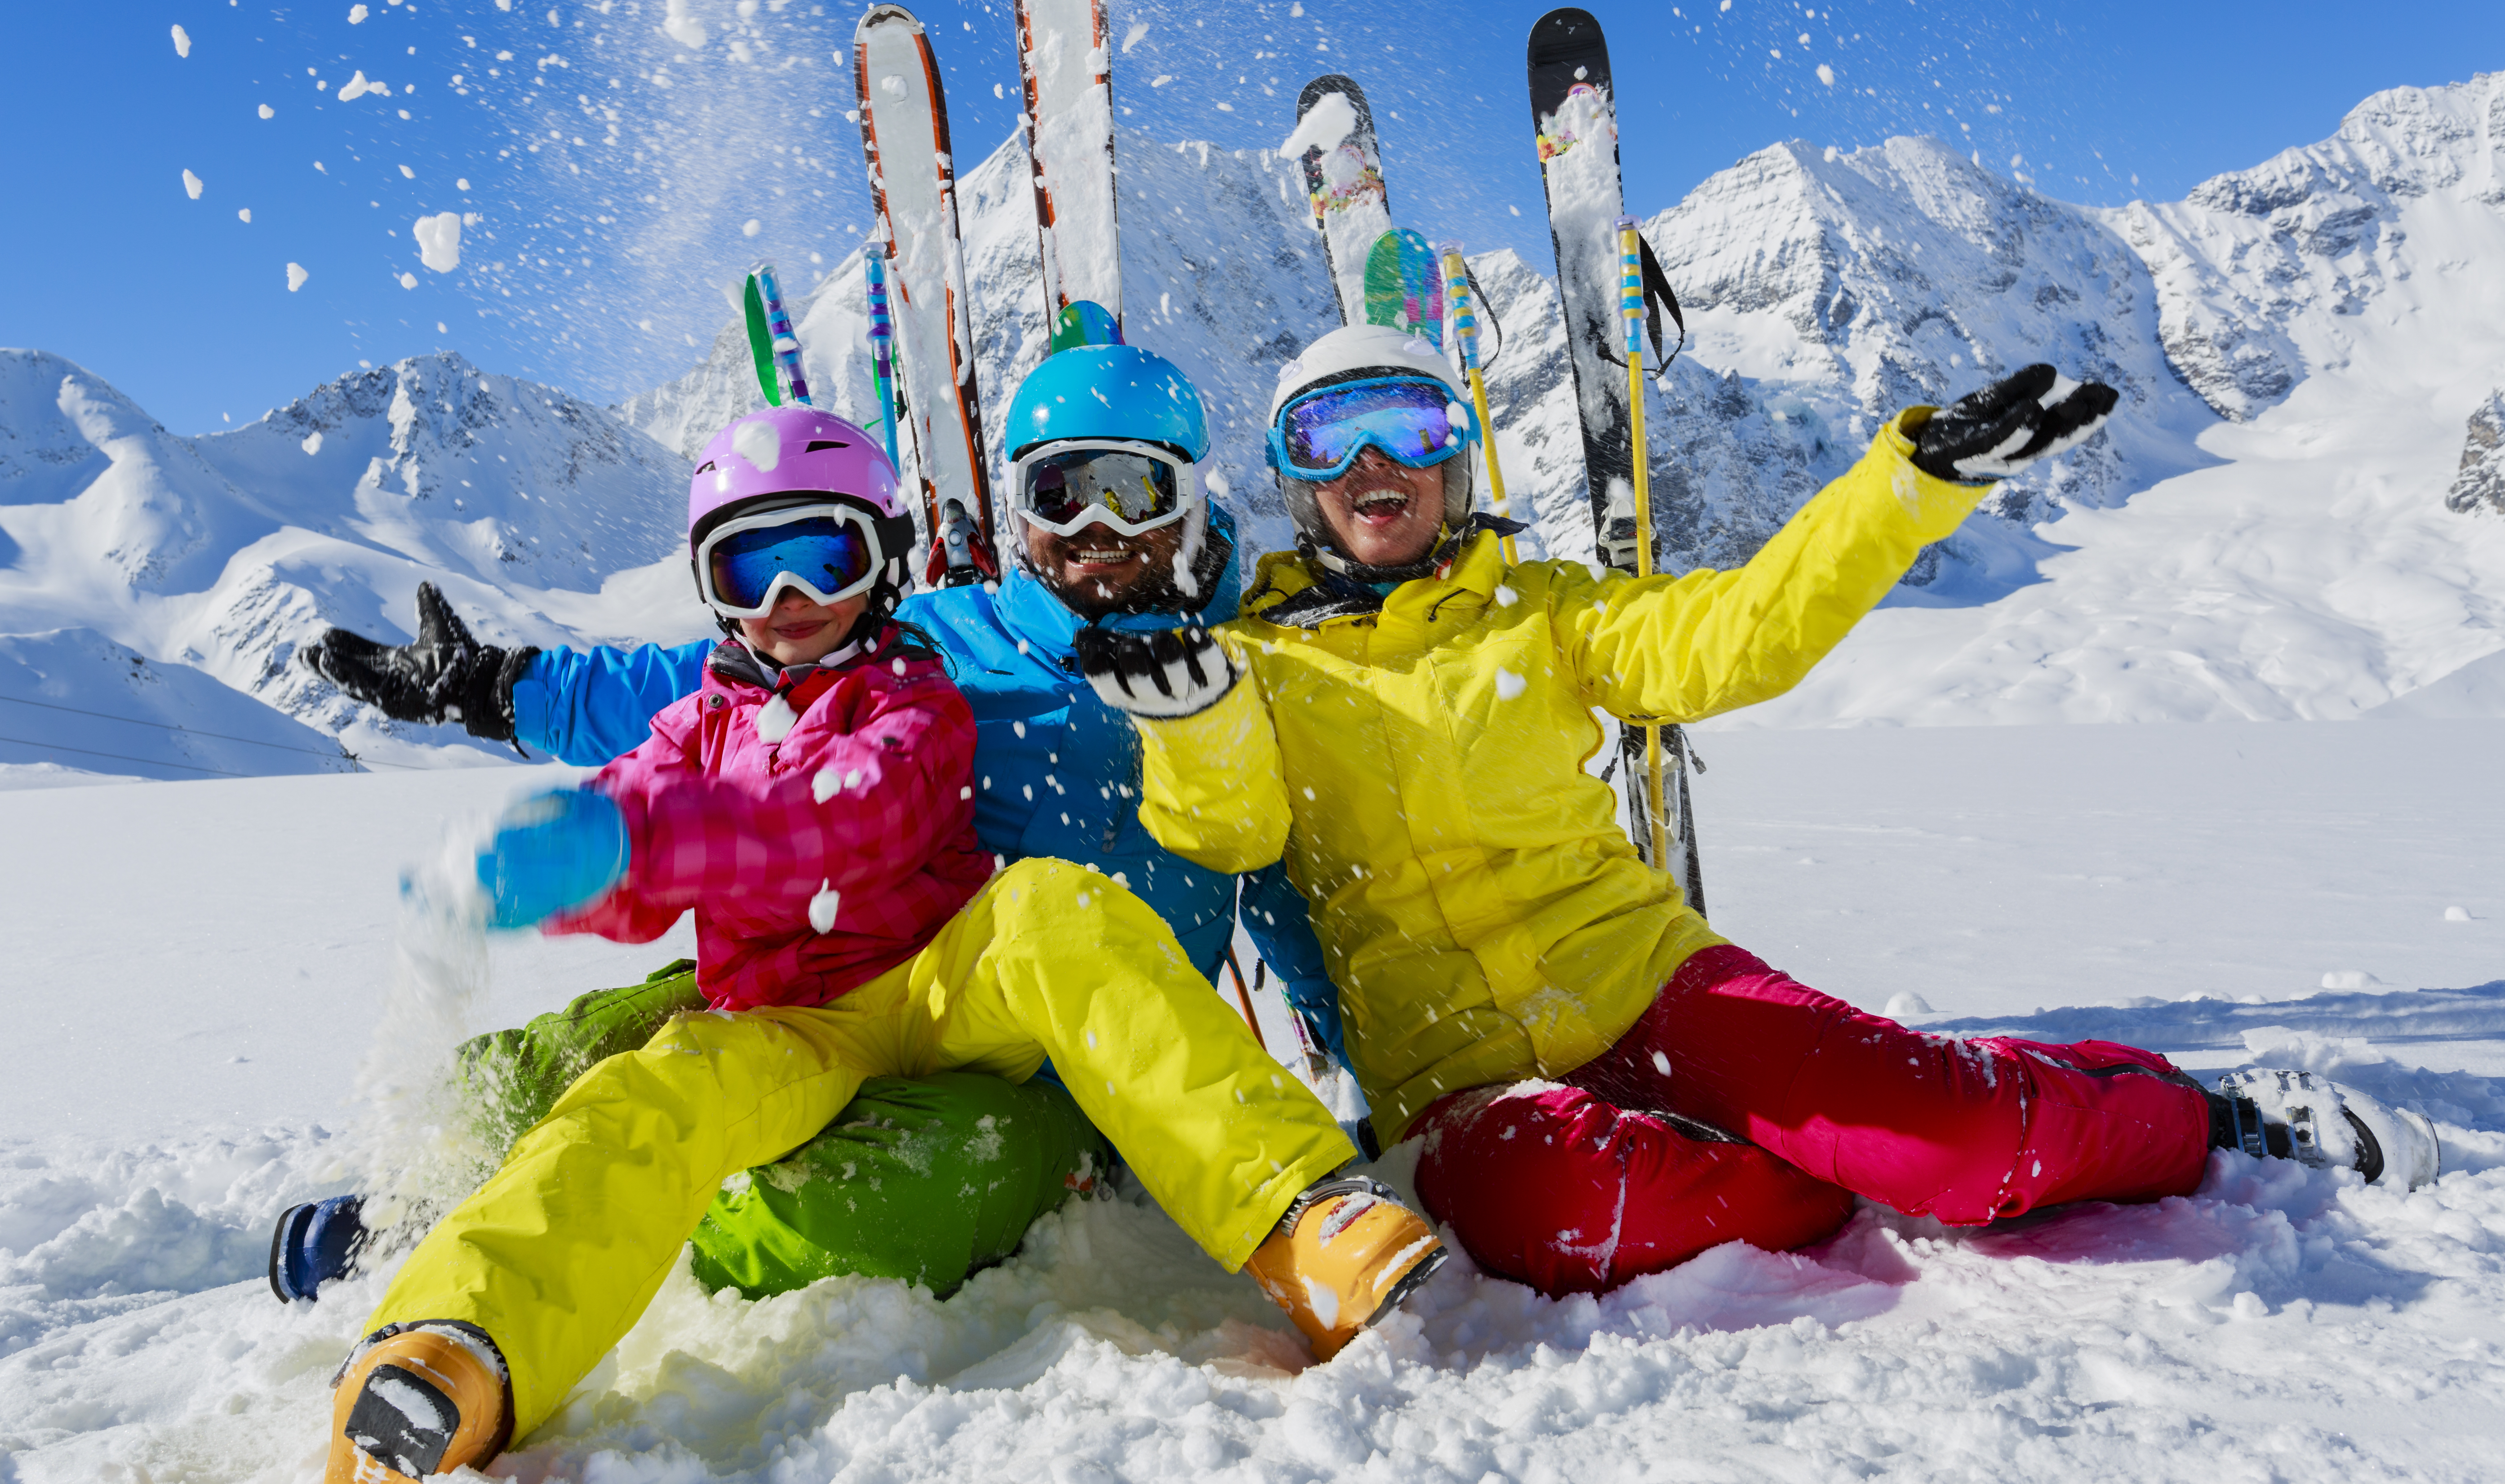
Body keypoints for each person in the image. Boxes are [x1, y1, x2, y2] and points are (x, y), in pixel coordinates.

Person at [1075, 332, 2443, 1301]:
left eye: (1417, 427)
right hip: (1466, 1080)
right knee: (1560, 1223)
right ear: (1292, 476)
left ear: (1459, 456)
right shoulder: (1249, 663)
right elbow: (1233, 835)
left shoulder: (1543, 614)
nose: (1380, 461)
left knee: (1960, 1148)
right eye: (1334, 434)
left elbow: (1738, 639)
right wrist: (1190, 727)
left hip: (1656, 989)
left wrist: (1901, 490)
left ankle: (2193, 1116)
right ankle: (1854, 1143)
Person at [320, 402, 1443, 1481]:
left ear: (885, 563)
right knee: (640, 1096)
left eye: (824, 558)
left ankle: (1300, 1217)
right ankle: (451, 1353)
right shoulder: (698, 722)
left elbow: (850, 818)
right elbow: (641, 785)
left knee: (1057, 906)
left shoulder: (917, 692)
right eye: (749, 572)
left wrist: (644, 846)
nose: (792, 599)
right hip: (784, 1025)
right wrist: (575, 843)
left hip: (943, 987)